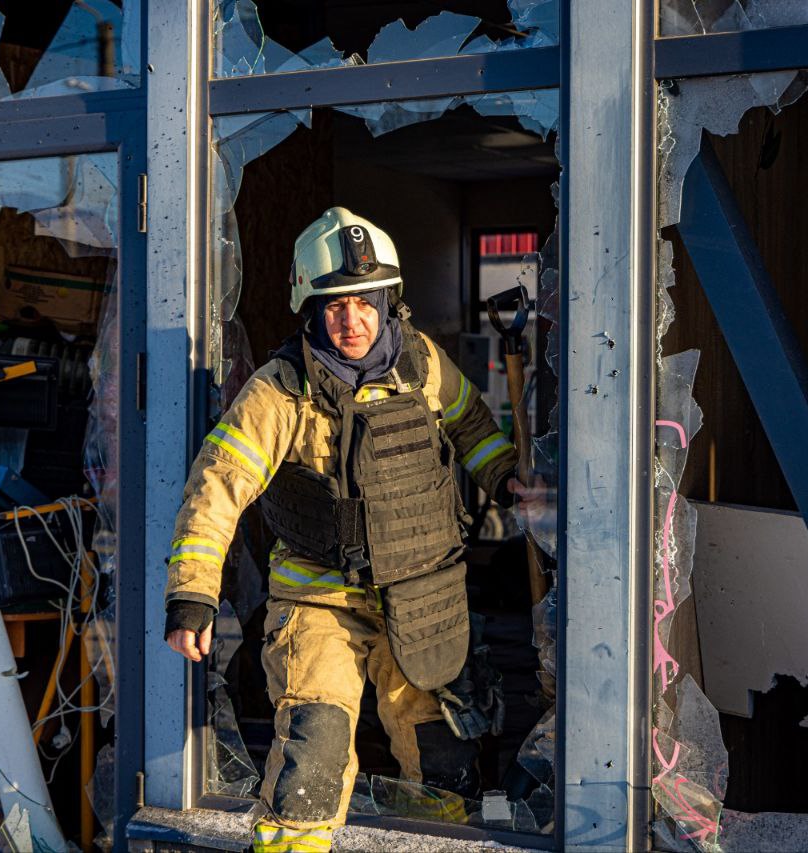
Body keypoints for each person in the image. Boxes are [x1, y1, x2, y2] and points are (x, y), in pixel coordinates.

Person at [164, 208, 538, 853]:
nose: (352, 320)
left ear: (388, 301)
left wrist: (507, 476)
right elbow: (217, 487)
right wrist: (192, 595)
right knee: (312, 757)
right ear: (309, 308)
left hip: (423, 598)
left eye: (366, 302)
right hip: (319, 601)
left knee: (447, 764)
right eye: (334, 305)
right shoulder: (280, 391)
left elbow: (472, 428)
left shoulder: (421, 363)